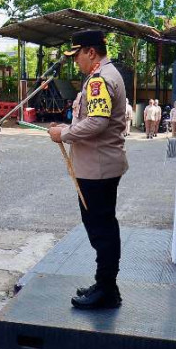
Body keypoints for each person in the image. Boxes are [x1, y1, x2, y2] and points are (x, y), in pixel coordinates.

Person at [47, 30, 128, 310]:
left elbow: (96, 123)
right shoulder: (104, 75)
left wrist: (64, 133)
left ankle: (106, 289)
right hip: (98, 164)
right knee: (101, 227)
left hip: (98, 167)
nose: (75, 61)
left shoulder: (99, 80)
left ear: (90, 52)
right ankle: (106, 284)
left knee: (101, 229)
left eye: (77, 55)